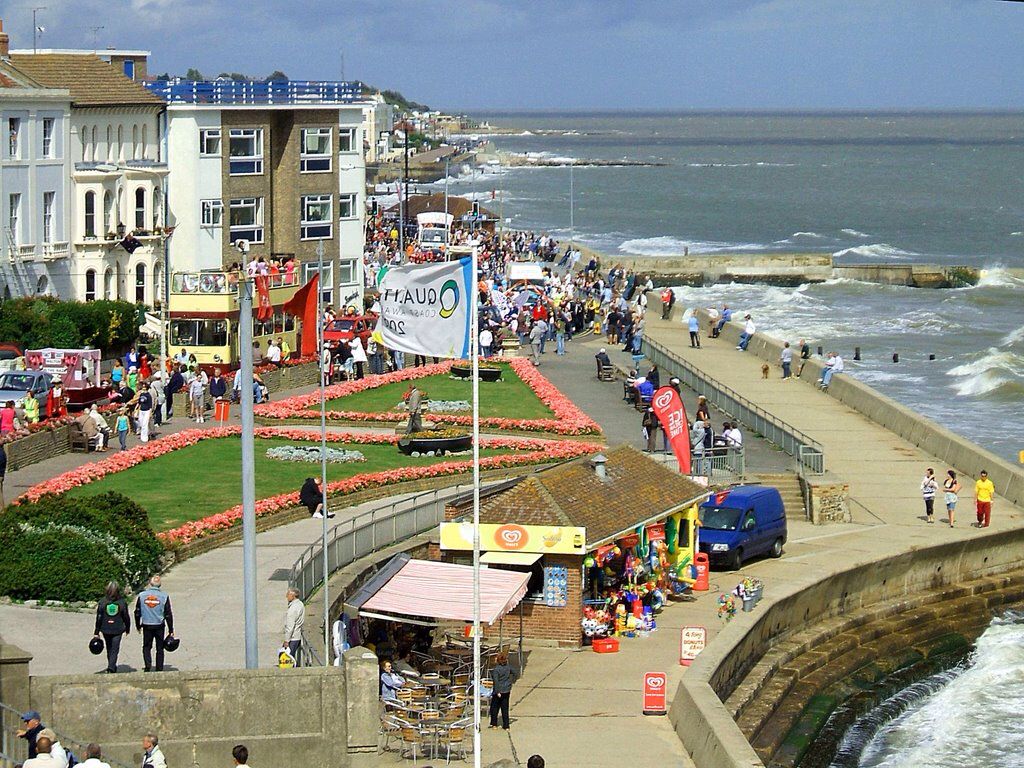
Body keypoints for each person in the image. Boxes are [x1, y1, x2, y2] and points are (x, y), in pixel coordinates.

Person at [135, 575, 174, 672]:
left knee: (147, 646)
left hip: (147, 624)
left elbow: (137, 612)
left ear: (150, 583)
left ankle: (148, 665)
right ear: (159, 585)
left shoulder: (142, 595)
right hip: (159, 625)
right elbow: (168, 614)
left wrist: (138, 625)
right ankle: (159, 667)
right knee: (160, 647)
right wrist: (171, 629)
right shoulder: (164, 596)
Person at [94, 581, 131, 673]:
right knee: (115, 648)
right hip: (118, 628)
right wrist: (127, 627)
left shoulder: (103, 602)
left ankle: (111, 665)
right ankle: (111, 666)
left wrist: (96, 631)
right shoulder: (122, 602)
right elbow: (126, 616)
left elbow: (99, 617)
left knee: (109, 647)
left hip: (106, 628)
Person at [488, 651, 518, 730]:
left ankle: (494, 724)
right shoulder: (508, 667)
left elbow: (496, 681)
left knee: (495, 708)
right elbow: (515, 673)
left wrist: (497, 691)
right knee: (505, 708)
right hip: (506, 690)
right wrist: (511, 681)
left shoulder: (496, 670)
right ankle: (506, 725)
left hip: (498, 691)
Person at [283, 588, 304, 666]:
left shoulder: (293, 609)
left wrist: (286, 640)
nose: (286, 596)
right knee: (291, 658)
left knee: (286, 661)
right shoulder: (300, 604)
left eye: (288, 594)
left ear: (293, 596)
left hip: (292, 638)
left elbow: (290, 626)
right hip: (297, 636)